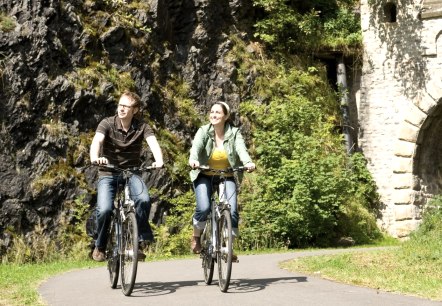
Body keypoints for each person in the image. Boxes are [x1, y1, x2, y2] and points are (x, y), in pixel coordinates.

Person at [90, 90, 164, 262]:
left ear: (135, 110)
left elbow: (153, 143)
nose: (122, 109)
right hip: (108, 172)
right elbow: (97, 141)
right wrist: (95, 158)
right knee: (105, 209)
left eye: (126, 106)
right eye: (120, 105)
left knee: (144, 200)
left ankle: (138, 241)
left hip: (131, 172)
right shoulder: (107, 123)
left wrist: (159, 160)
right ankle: (100, 245)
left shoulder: (143, 126)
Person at [188, 102, 255, 258]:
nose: (214, 115)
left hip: (227, 175)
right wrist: (194, 160)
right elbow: (196, 148)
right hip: (204, 174)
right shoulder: (204, 131)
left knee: (231, 210)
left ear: (225, 116)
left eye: (218, 112)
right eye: (212, 112)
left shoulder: (234, 133)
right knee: (204, 207)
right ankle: (197, 236)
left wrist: (247, 163)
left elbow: (241, 149)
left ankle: (227, 246)